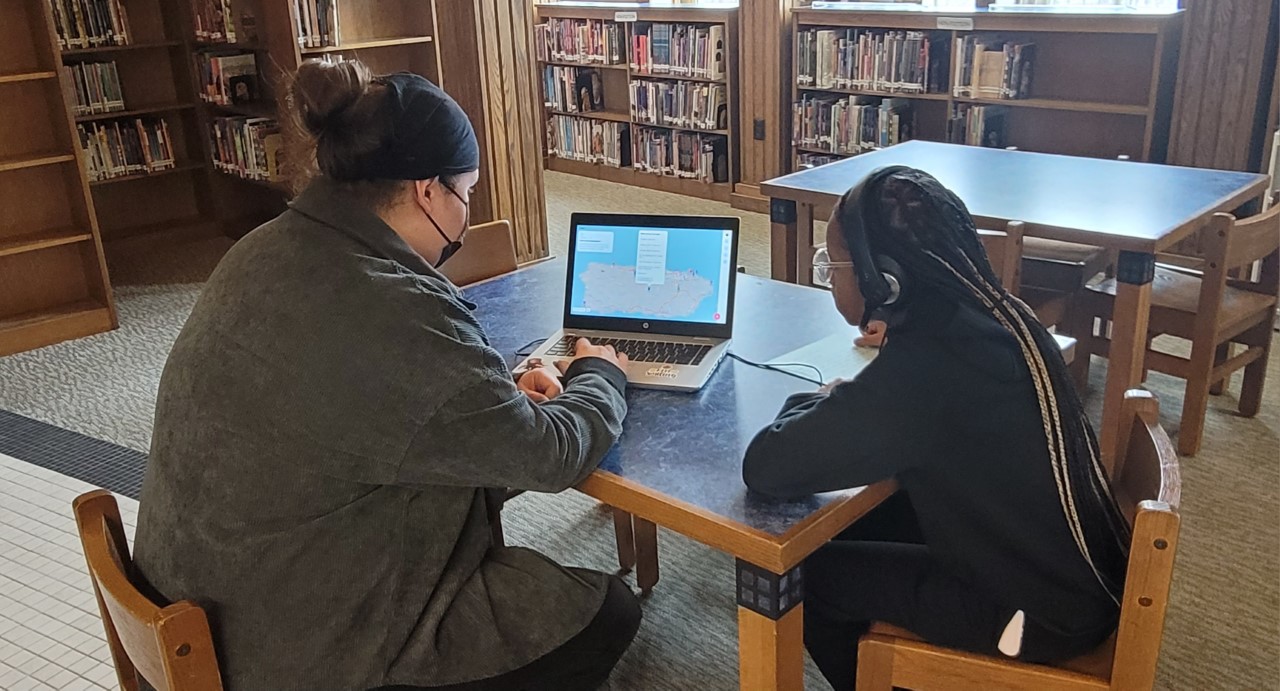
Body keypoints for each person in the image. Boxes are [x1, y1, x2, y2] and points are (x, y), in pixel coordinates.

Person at [133, 59, 640, 691]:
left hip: (199, 596)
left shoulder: (261, 248)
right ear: (428, 191)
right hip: (295, 647)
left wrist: (489, 404)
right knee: (608, 611)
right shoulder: (397, 308)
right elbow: (552, 457)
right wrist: (599, 374)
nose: (465, 212)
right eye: (468, 193)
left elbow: (360, 411)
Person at [742, 167, 1130, 690]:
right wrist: (898, 340)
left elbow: (768, 465)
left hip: (1037, 614)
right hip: (1080, 574)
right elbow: (930, 398)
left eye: (832, 268)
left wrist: (816, 397)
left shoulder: (927, 370)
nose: (830, 279)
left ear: (885, 280)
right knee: (853, 520)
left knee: (800, 577)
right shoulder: (999, 314)